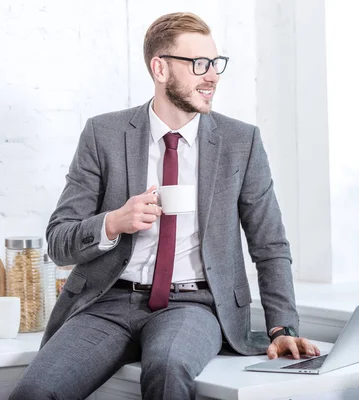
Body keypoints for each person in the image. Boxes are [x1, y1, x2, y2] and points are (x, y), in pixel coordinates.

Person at [10, 11, 319, 400]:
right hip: (109, 302)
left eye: (216, 63)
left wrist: (282, 328)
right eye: (199, 65)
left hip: (193, 305)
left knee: (169, 369)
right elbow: (58, 240)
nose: (212, 76)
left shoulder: (241, 142)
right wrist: (113, 223)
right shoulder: (103, 135)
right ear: (160, 68)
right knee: (35, 391)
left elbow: (269, 244)